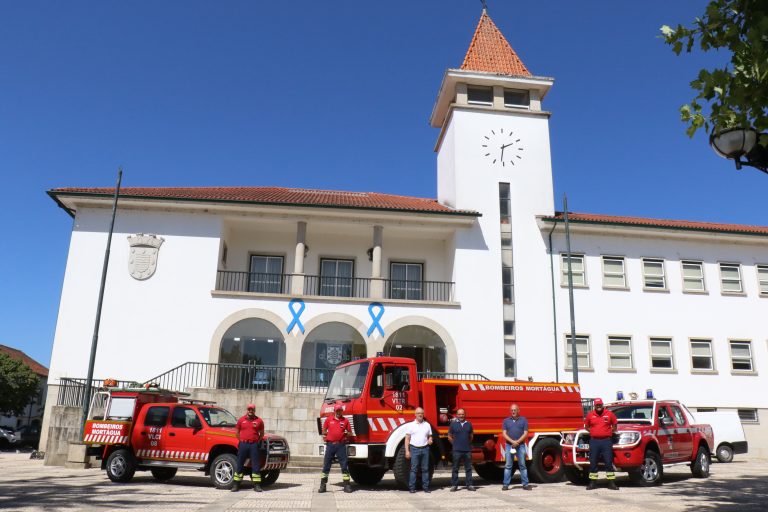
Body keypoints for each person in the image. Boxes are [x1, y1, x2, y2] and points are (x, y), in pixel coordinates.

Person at [584, 398, 619, 490]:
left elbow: (615, 426)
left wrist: (608, 432)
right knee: (593, 462)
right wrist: (593, 432)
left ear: (602, 405)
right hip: (594, 441)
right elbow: (586, 426)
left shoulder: (609, 414)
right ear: (594, 406)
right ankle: (593, 483)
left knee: (608, 462)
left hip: (606, 441)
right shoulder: (590, 415)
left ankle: (611, 483)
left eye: (600, 404)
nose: (598, 406)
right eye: (597, 405)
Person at [319, 404, 353, 493]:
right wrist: (328, 435)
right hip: (330, 445)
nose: (339, 412)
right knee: (326, 465)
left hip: (341, 446)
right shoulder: (329, 419)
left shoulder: (345, 420)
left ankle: (347, 485)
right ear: (334, 411)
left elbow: (350, 433)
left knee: (344, 465)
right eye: (337, 411)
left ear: (342, 411)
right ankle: (323, 485)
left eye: (340, 410)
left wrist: (345, 434)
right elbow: (324, 431)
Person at [232, 403, 264, 492]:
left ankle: (257, 485)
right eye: (249, 409)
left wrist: (257, 441)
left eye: (252, 409)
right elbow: (237, 432)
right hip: (243, 444)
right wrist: (241, 440)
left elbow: (262, 434)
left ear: (254, 410)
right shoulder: (241, 420)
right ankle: (236, 484)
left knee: (255, 465)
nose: (250, 411)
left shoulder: (259, 421)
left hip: (254, 445)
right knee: (239, 464)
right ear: (247, 410)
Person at [501, 403, 531, 491]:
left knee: (522, 465)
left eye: (515, 410)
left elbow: (525, 433)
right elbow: (504, 433)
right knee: (508, 465)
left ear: (518, 410)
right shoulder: (506, 421)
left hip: (520, 445)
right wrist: (512, 442)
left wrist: (517, 442)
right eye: (512, 410)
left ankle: (525, 484)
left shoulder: (524, 420)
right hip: (509, 445)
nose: (513, 412)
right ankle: (505, 485)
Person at [405, 407, 433, 493]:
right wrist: (407, 451)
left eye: (421, 413)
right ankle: (412, 488)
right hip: (414, 449)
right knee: (414, 469)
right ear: (415, 414)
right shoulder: (411, 425)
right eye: (418, 413)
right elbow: (407, 439)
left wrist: (430, 440)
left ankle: (426, 488)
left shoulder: (427, 425)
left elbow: (430, 436)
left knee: (425, 469)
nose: (420, 415)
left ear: (423, 414)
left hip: (425, 449)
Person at [448, 408, 475, 491]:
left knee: (468, 468)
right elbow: (449, 436)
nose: (461, 416)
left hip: (467, 450)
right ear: (457, 415)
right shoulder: (453, 424)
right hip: (456, 450)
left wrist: (467, 444)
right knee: (455, 468)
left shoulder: (469, 424)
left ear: (465, 415)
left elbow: (471, 436)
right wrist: (455, 444)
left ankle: (469, 485)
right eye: (459, 414)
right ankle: (454, 485)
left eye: (462, 414)